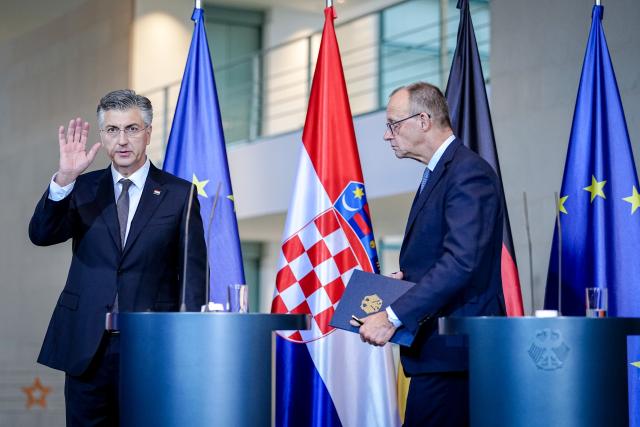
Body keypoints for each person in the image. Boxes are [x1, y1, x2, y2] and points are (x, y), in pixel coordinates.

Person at [29, 89, 207, 426]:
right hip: (87, 347)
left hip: (151, 349)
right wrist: (64, 178)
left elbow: (193, 276)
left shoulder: (179, 194)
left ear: (149, 132)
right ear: (102, 135)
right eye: (112, 130)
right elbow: (41, 235)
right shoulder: (82, 188)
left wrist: (189, 347)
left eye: (132, 129)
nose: (122, 140)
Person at [351, 82, 505, 426]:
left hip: (454, 354)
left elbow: (461, 263)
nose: (387, 136)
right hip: (436, 353)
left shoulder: (468, 174)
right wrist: (404, 281)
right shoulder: (441, 173)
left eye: (393, 124)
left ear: (423, 120)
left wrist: (391, 315)